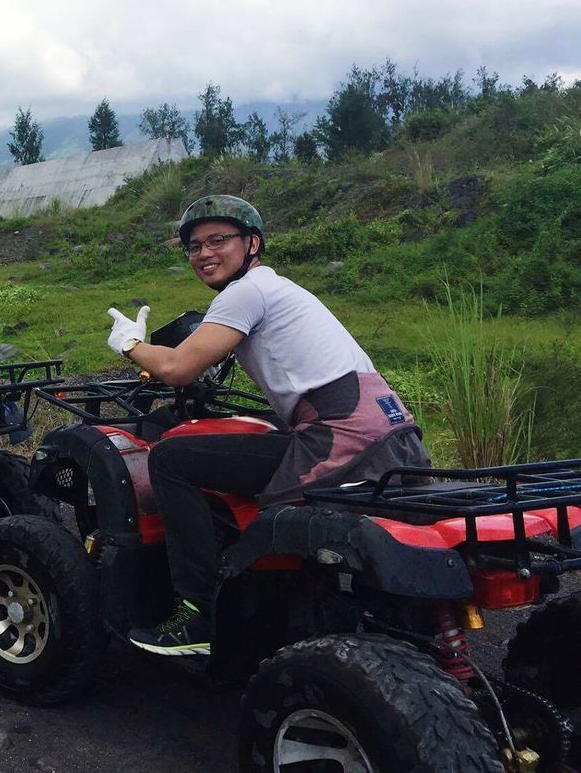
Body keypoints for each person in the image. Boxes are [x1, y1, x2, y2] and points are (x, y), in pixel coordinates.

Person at [105, 194, 430, 656]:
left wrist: (131, 345)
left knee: (174, 460)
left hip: (342, 438)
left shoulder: (247, 292)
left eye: (218, 240)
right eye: (194, 247)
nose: (204, 254)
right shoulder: (277, 289)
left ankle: (198, 616)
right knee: (258, 437)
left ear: (252, 243)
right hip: (389, 433)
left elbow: (178, 368)